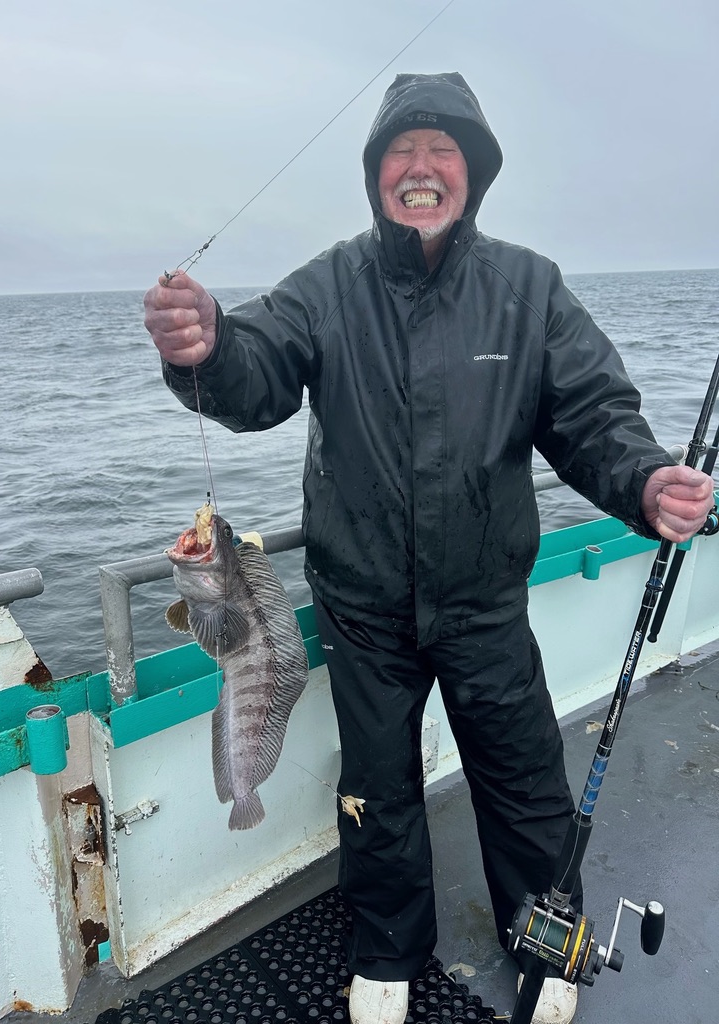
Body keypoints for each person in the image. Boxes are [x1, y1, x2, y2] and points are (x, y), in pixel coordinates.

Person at [144, 72, 715, 1024]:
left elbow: (593, 419)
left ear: (475, 172)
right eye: (400, 152)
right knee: (377, 793)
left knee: (526, 783)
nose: (420, 169)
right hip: (361, 608)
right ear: (376, 174)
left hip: (485, 602)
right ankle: (386, 951)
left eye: (442, 150)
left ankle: (544, 941)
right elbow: (256, 374)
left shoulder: (528, 287)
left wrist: (648, 481)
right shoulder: (328, 285)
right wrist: (201, 348)